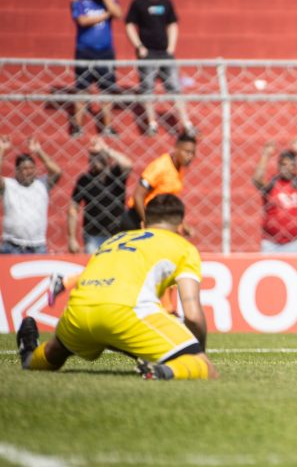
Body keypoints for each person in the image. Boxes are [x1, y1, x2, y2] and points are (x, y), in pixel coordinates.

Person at [16, 194, 218, 380]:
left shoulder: (114, 240)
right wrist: (198, 352)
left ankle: (29, 357)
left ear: (142, 224)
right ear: (181, 226)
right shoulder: (184, 248)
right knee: (203, 367)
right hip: (126, 312)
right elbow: (192, 314)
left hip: (78, 312)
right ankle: (163, 371)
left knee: (55, 353)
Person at [125, 0, 195, 137]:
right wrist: (139, 46)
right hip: (147, 54)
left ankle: (186, 123)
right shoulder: (138, 3)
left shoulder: (166, 3)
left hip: (165, 53)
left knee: (175, 88)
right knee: (148, 88)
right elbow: (129, 24)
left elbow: (172, 24)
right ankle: (152, 123)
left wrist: (171, 47)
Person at [70, 0, 122, 138]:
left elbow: (118, 14)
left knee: (107, 90)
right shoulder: (79, 1)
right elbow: (82, 20)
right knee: (82, 89)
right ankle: (78, 125)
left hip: (105, 52)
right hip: (85, 52)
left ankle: (107, 126)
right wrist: (103, 16)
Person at [120, 131, 197, 235]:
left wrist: (183, 224)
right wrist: (147, 223)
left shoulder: (178, 169)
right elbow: (138, 195)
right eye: (187, 152)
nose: (190, 156)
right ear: (176, 148)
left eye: (193, 153)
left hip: (158, 220)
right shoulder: (160, 167)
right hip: (137, 220)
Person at [68, 137, 132, 254]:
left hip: (117, 233)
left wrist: (106, 149)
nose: (95, 160)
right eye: (93, 157)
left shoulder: (116, 173)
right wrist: (71, 237)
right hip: (93, 234)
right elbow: (73, 208)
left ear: (107, 158)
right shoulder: (85, 180)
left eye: (99, 156)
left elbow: (128, 164)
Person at [0, 137, 62, 254]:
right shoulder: (8, 185)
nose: (28, 172)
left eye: (31, 168)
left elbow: (57, 172)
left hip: (37, 245)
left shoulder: (42, 184)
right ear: (17, 170)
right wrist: (2, 150)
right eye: (24, 169)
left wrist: (38, 151)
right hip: (11, 244)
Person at [252, 139, 297, 253]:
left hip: (296, 242)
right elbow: (257, 179)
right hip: (271, 243)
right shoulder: (272, 184)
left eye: (291, 165)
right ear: (279, 166)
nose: (287, 168)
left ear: (295, 168)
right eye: (283, 164)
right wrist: (265, 155)